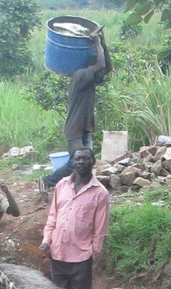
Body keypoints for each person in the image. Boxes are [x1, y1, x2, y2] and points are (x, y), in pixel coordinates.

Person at [41, 30, 112, 194]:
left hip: (84, 127)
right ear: (90, 65)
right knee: (77, 161)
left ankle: (78, 188)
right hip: (74, 128)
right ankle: (48, 181)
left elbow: (107, 68)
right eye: (96, 68)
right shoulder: (80, 75)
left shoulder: (88, 77)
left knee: (87, 161)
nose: (101, 74)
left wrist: (103, 44)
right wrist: (95, 43)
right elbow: (101, 66)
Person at [40, 147, 109, 289]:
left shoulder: (100, 193)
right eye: (78, 159)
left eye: (86, 159)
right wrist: (46, 241)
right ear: (73, 162)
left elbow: (100, 230)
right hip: (57, 253)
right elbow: (52, 217)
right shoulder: (61, 186)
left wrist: (93, 254)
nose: (81, 162)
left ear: (93, 162)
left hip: (81, 258)